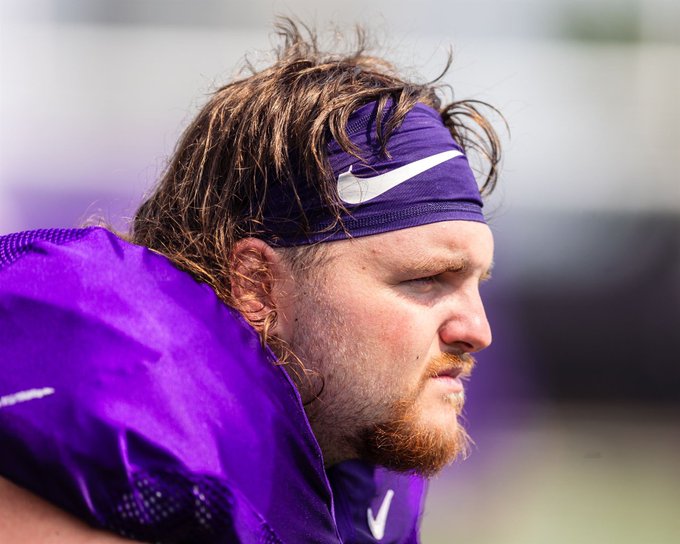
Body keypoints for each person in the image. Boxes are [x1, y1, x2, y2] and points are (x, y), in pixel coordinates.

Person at [0, 20, 501, 543]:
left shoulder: (358, 470)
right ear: (258, 283)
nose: (478, 329)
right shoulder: (148, 427)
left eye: (475, 282)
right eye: (426, 279)